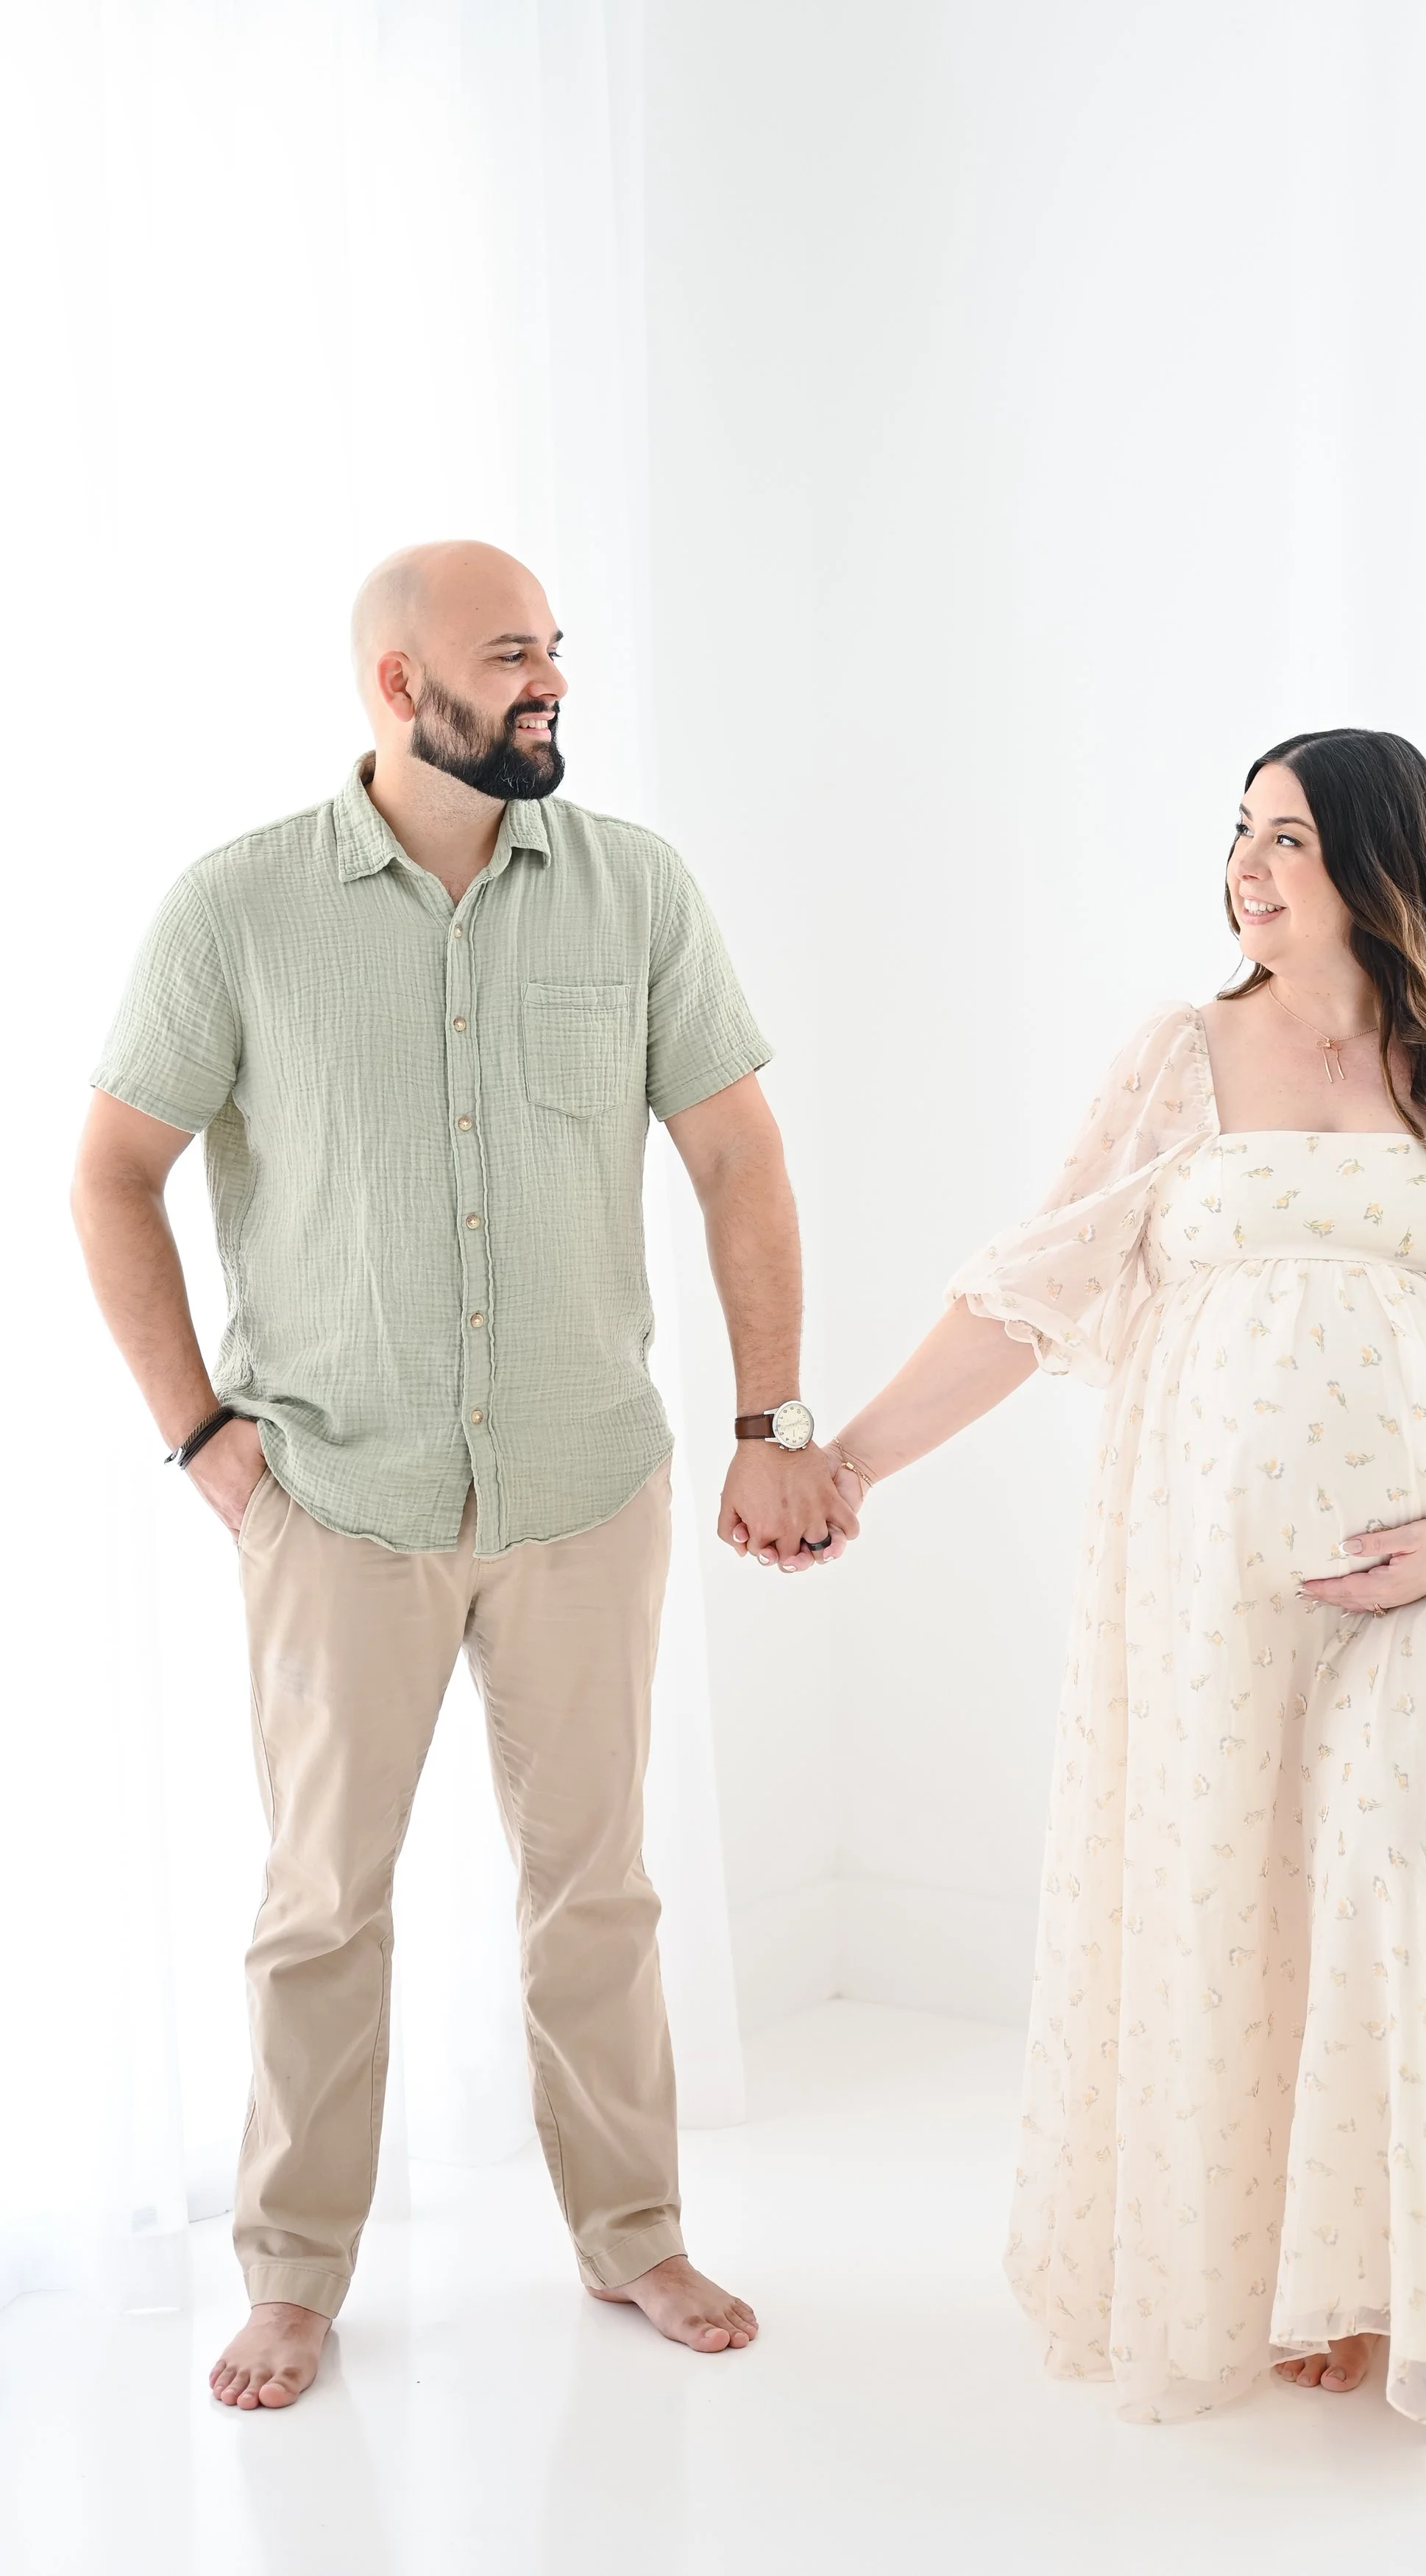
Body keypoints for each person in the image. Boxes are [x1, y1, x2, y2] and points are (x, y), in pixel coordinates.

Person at [810, 729, 1426, 2438]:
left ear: (1380, 862)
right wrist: (848, 1458)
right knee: (1254, 1892)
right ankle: (1310, 2282)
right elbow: (1030, 1287)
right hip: (1211, 1581)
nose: (1245, 863)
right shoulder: (1179, 1058)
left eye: (1287, 836)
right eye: (1237, 831)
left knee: (1406, 1869)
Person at [69, 539, 856, 2412]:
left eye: (557, 651)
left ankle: (634, 2231)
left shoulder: (633, 889)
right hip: (333, 1496)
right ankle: (289, 2272)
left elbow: (737, 1155)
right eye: (511, 657)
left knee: (596, 1883)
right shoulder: (237, 909)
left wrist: (769, 1423)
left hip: (587, 1481)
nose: (548, 684)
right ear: (395, 687)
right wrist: (200, 1435)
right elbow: (113, 1172)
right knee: (322, 1899)